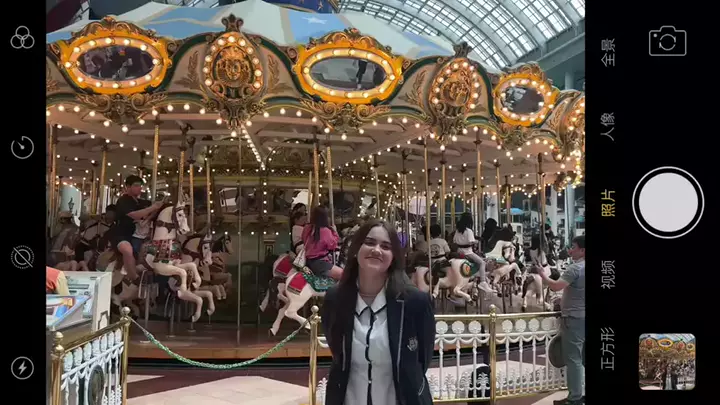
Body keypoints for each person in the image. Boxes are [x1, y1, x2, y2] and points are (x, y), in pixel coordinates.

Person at [321, 219, 435, 405]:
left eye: (386, 246)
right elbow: (337, 352)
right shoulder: (336, 298)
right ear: (356, 248)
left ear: (394, 256)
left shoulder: (415, 302)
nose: (376, 250)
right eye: (369, 242)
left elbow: (422, 358)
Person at [541, 235, 585, 405]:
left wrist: (542, 275)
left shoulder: (575, 268)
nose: (570, 251)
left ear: (582, 250)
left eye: (573, 247)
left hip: (574, 318)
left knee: (573, 359)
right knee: (583, 357)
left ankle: (575, 398)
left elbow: (555, 286)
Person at [109, 175, 164, 278]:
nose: (139, 188)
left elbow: (154, 210)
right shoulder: (123, 201)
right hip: (122, 234)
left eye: (140, 186)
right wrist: (152, 208)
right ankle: (133, 276)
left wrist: (156, 208)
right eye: (136, 185)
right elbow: (134, 215)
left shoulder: (142, 202)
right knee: (127, 249)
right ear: (128, 187)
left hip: (140, 234)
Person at [453, 212, 494, 293]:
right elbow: (471, 241)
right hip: (468, 252)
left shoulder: (458, 230)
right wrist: (476, 241)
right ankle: (483, 282)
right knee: (482, 262)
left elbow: (454, 240)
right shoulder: (469, 231)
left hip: (459, 251)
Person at [302, 206, 342, 280]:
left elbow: (304, 240)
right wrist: (335, 231)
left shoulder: (307, 228)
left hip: (308, 260)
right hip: (319, 263)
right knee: (343, 274)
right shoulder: (325, 231)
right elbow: (332, 245)